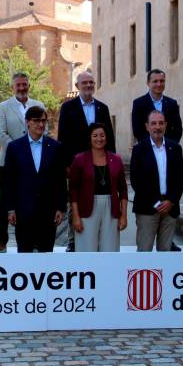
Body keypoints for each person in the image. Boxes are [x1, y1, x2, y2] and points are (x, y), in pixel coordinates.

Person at [58, 71, 117, 252]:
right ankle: (72, 239)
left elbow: (110, 138)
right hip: (77, 163)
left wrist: (112, 163)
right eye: (85, 83)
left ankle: (98, 238)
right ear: (77, 86)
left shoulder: (102, 108)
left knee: (99, 200)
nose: (89, 86)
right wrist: (67, 164)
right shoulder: (68, 108)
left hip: (100, 164)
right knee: (74, 200)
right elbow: (63, 138)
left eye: (91, 82)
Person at [0, 73, 45, 253]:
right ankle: (1, 240)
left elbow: (42, 130)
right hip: (9, 161)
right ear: (13, 87)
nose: (22, 88)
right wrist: (19, 151)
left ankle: (35, 238)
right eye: (18, 85)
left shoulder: (38, 105)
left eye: (24, 84)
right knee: (6, 200)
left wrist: (31, 151)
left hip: (35, 162)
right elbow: (0, 133)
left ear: (29, 85)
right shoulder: (4, 107)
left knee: (33, 199)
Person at [4, 106, 67, 253]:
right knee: (24, 255)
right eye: (36, 120)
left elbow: (60, 180)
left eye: (43, 121)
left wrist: (61, 207)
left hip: (48, 212)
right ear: (27, 122)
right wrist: (10, 209)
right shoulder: (14, 147)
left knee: (46, 256)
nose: (41, 124)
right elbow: (9, 181)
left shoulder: (55, 147)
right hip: (23, 212)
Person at [130, 110, 183, 252]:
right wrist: (156, 202)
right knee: (145, 251)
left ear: (166, 125)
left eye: (161, 123)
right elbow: (136, 181)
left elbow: (180, 178)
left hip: (170, 207)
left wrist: (171, 201)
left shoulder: (175, 148)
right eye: (153, 123)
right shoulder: (139, 150)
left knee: (166, 252)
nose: (157, 127)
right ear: (147, 126)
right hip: (147, 209)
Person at [69, 123, 127, 252]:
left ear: (106, 138)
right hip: (86, 207)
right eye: (95, 136)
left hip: (111, 207)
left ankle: (108, 272)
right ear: (89, 139)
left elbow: (123, 189)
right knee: (86, 249)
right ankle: (87, 272)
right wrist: (76, 216)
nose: (99, 139)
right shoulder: (80, 159)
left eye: (102, 135)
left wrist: (123, 215)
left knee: (110, 249)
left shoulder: (116, 159)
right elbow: (73, 190)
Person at [131, 69, 183, 144]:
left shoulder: (172, 104)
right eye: (155, 81)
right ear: (148, 83)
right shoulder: (138, 104)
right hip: (147, 149)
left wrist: (168, 146)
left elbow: (178, 130)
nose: (159, 84)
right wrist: (152, 146)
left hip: (168, 149)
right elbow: (137, 130)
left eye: (162, 81)